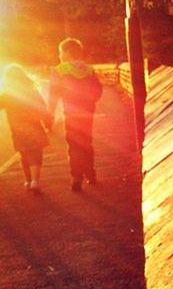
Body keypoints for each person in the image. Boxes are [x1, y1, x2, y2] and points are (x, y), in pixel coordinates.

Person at [48, 38, 103, 192]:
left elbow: (53, 95)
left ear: (67, 52)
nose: (59, 55)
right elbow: (98, 90)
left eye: (60, 52)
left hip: (71, 113)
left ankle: (76, 177)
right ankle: (90, 173)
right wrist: (90, 102)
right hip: (87, 112)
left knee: (74, 144)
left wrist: (50, 115)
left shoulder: (59, 70)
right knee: (86, 141)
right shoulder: (88, 70)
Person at [0, 64, 50, 192]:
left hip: (17, 129)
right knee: (36, 153)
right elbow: (42, 107)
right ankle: (35, 181)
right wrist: (48, 122)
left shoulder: (7, 94)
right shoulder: (32, 91)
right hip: (34, 126)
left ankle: (28, 181)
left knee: (24, 154)